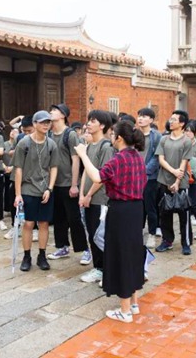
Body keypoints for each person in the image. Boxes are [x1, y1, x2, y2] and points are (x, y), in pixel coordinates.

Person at [74, 120, 147, 323]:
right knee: (133, 254)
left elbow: (97, 177)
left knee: (121, 255)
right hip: (136, 209)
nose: (111, 137)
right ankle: (133, 304)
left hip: (121, 211)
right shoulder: (137, 157)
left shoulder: (119, 159)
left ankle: (124, 311)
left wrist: (83, 155)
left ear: (119, 138)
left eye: (113, 134)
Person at [14, 111, 58, 271]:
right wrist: (18, 194)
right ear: (34, 124)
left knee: (44, 223)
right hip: (28, 188)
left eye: (48, 122)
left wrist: (50, 188)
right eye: (42, 122)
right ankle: (26, 256)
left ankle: (42, 255)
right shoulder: (24, 143)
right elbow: (18, 169)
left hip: (45, 189)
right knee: (28, 223)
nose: (46, 125)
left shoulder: (51, 144)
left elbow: (54, 167)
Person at [47, 103, 90, 264]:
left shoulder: (70, 134)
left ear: (63, 115)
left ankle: (85, 250)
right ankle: (62, 246)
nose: (51, 112)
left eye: (55, 111)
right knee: (58, 218)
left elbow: (76, 160)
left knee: (74, 219)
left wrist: (74, 184)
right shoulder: (49, 134)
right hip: (54, 184)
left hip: (68, 183)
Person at [79, 110, 115, 284]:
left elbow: (102, 176)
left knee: (99, 235)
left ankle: (106, 269)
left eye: (93, 121)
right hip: (88, 198)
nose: (88, 124)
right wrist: (81, 194)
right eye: (89, 120)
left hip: (100, 199)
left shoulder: (106, 147)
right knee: (91, 233)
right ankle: (98, 267)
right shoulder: (89, 146)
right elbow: (86, 172)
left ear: (102, 125)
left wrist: (89, 195)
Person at [155, 110, 193, 255]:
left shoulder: (186, 141)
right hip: (164, 181)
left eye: (174, 120)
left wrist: (177, 181)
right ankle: (167, 240)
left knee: (184, 214)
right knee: (165, 213)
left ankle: (185, 243)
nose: (171, 122)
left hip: (181, 183)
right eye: (170, 119)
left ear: (182, 123)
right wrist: (173, 171)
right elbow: (161, 159)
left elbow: (184, 162)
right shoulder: (164, 139)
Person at [136, 107, 162, 249]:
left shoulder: (156, 136)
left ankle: (152, 234)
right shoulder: (134, 134)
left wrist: (144, 171)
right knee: (138, 206)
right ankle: (138, 233)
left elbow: (157, 157)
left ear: (151, 120)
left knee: (150, 206)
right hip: (134, 177)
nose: (140, 118)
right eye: (139, 116)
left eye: (144, 116)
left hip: (150, 177)